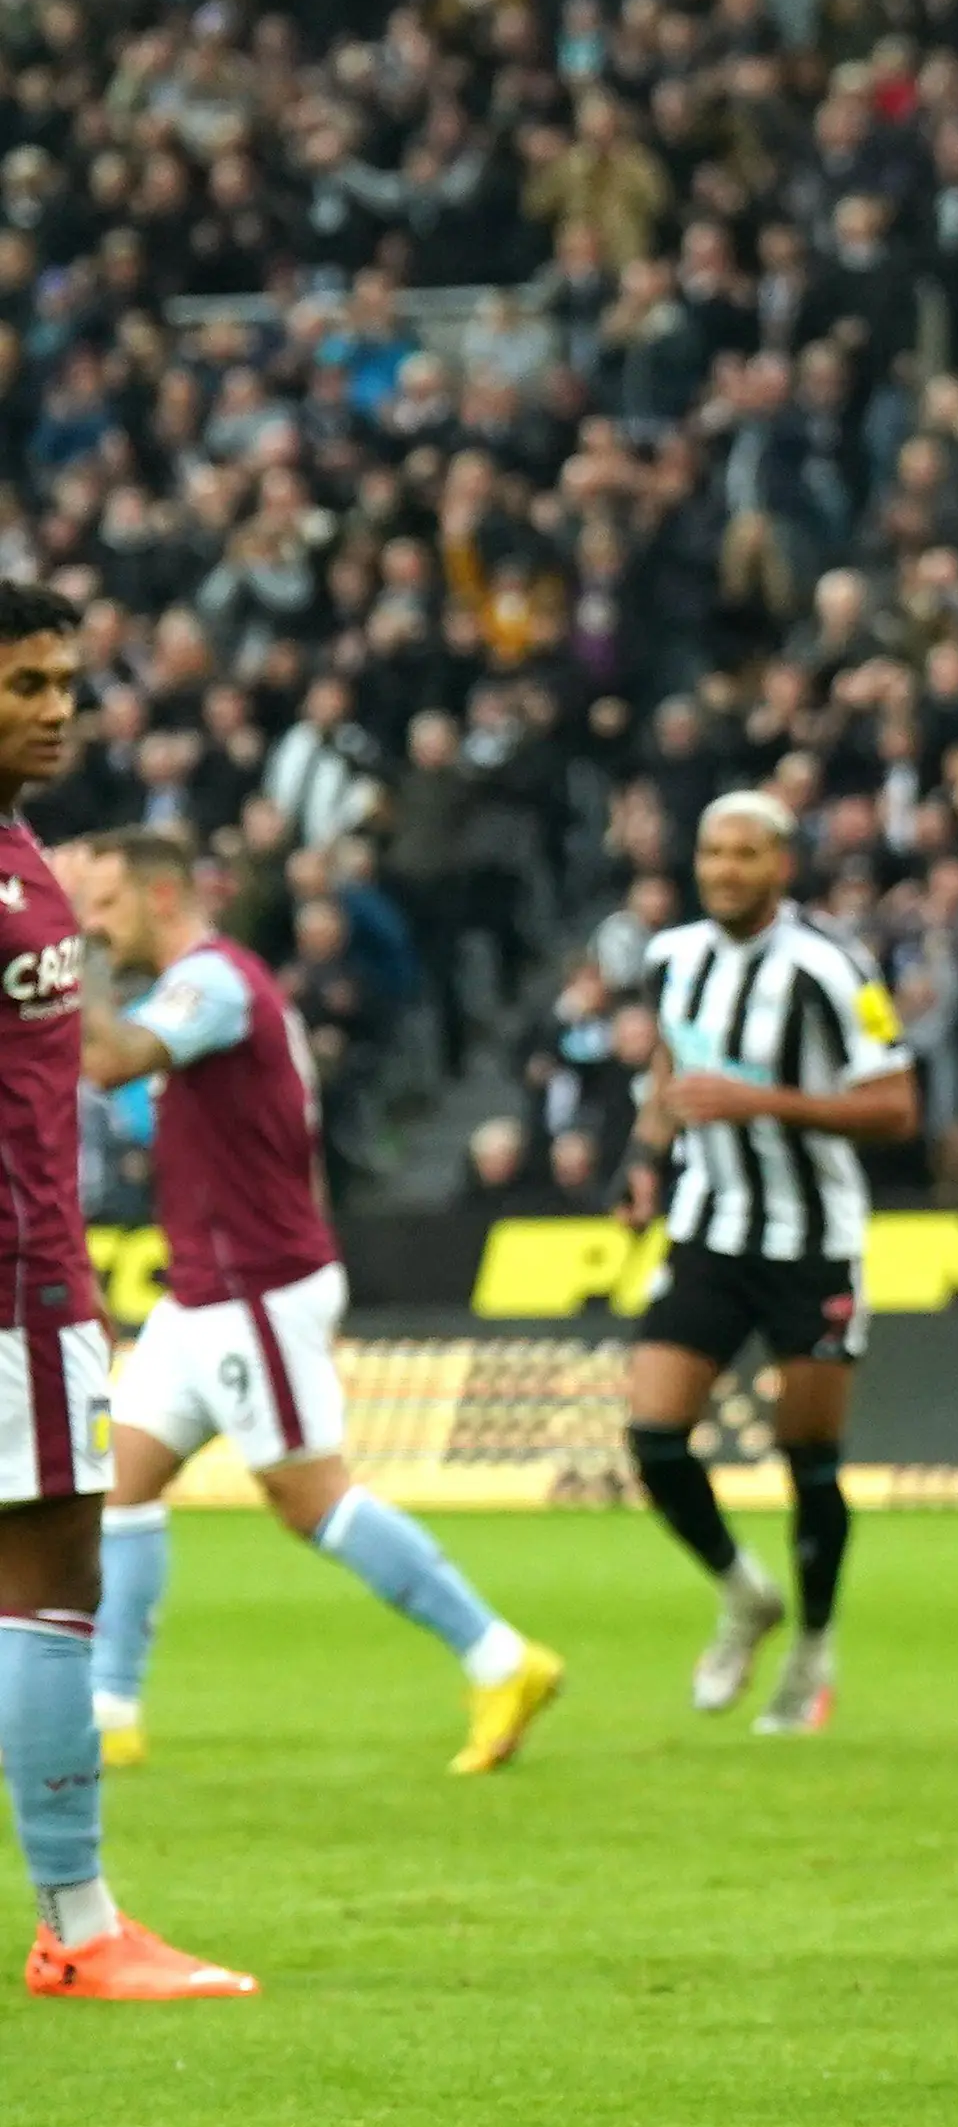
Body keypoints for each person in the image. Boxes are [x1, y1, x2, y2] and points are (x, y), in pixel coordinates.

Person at [71, 826, 562, 1775]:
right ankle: (111, 1712)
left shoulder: (212, 985)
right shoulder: (212, 985)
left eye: (104, 906)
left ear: (160, 898)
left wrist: (66, 952)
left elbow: (112, 1060)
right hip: (210, 1288)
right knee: (120, 1486)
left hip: (251, 1289)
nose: (94, 927)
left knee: (307, 1498)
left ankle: (501, 1657)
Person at [0, 587, 248, 1997]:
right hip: (14, 1283)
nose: (55, 709)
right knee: (51, 1581)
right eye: (25, 683)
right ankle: (82, 1929)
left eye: (66, 685)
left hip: (40, 1271)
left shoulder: (26, 845)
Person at [621, 792, 917, 1735]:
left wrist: (767, 1105)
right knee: (653, 1433)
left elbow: (896, 1106)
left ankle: (815, 1652)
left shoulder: (833, 967)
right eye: (713, 852)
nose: (726, 870)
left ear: (781, 865)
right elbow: (669, 1079)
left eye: (746, 854)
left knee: (807, 1454)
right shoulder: (673, 956)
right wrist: (643, 1160)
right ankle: (745, 1594)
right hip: (710, 1229)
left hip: (812, 1241)